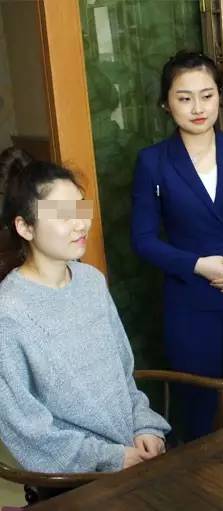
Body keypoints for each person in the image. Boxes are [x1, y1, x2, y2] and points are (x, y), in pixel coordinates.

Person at [130, 51, 223, 440]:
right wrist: (197, 264)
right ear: (166, 103)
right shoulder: (153, 162)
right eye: (185, 98)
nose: (198, 108)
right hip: (190, 304)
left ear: (219, 98)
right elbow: (143, 240)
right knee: (198, 412)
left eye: (207, 95)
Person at [0, 148, 170, 473]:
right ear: (25, 227)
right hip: (78, 477)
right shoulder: (9, 312)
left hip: (134, 452)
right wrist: (111, 458)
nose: (81, 224)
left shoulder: (91, 281)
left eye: (81, 209)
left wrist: (145, 426)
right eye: (64, 216)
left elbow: (123, 374)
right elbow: (25, 429)